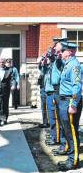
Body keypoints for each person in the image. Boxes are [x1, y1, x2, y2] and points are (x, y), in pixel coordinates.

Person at [57, 42, 82, 171]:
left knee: (72, 131)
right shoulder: (67, 64)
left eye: (63, 51)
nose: (61, 53)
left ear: (70, 52)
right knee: (67, 131)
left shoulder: (74, 65)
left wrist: (73, 104)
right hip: (63, 101)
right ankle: (71, 157)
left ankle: (74, 161)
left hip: (69, 102)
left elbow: (77, 86)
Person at [0, 58, 15, 126]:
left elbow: (12, 79)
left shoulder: (9, 70)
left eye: (3, 62)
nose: (1, 63)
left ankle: (4, 119)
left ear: (4, 63)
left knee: (5, 105)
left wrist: (13, 85)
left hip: (6, 90)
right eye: (0, 62)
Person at [37, 56, 49, 128]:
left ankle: (52, 122)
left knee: (50, 108)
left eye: (43, 60)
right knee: (43, 107)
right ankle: (45, 122)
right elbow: (39, 65)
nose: (42, 62)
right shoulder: (42, 67)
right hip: (43, 89)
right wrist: (41, 61)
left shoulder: (49, 67)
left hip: (49, 90)